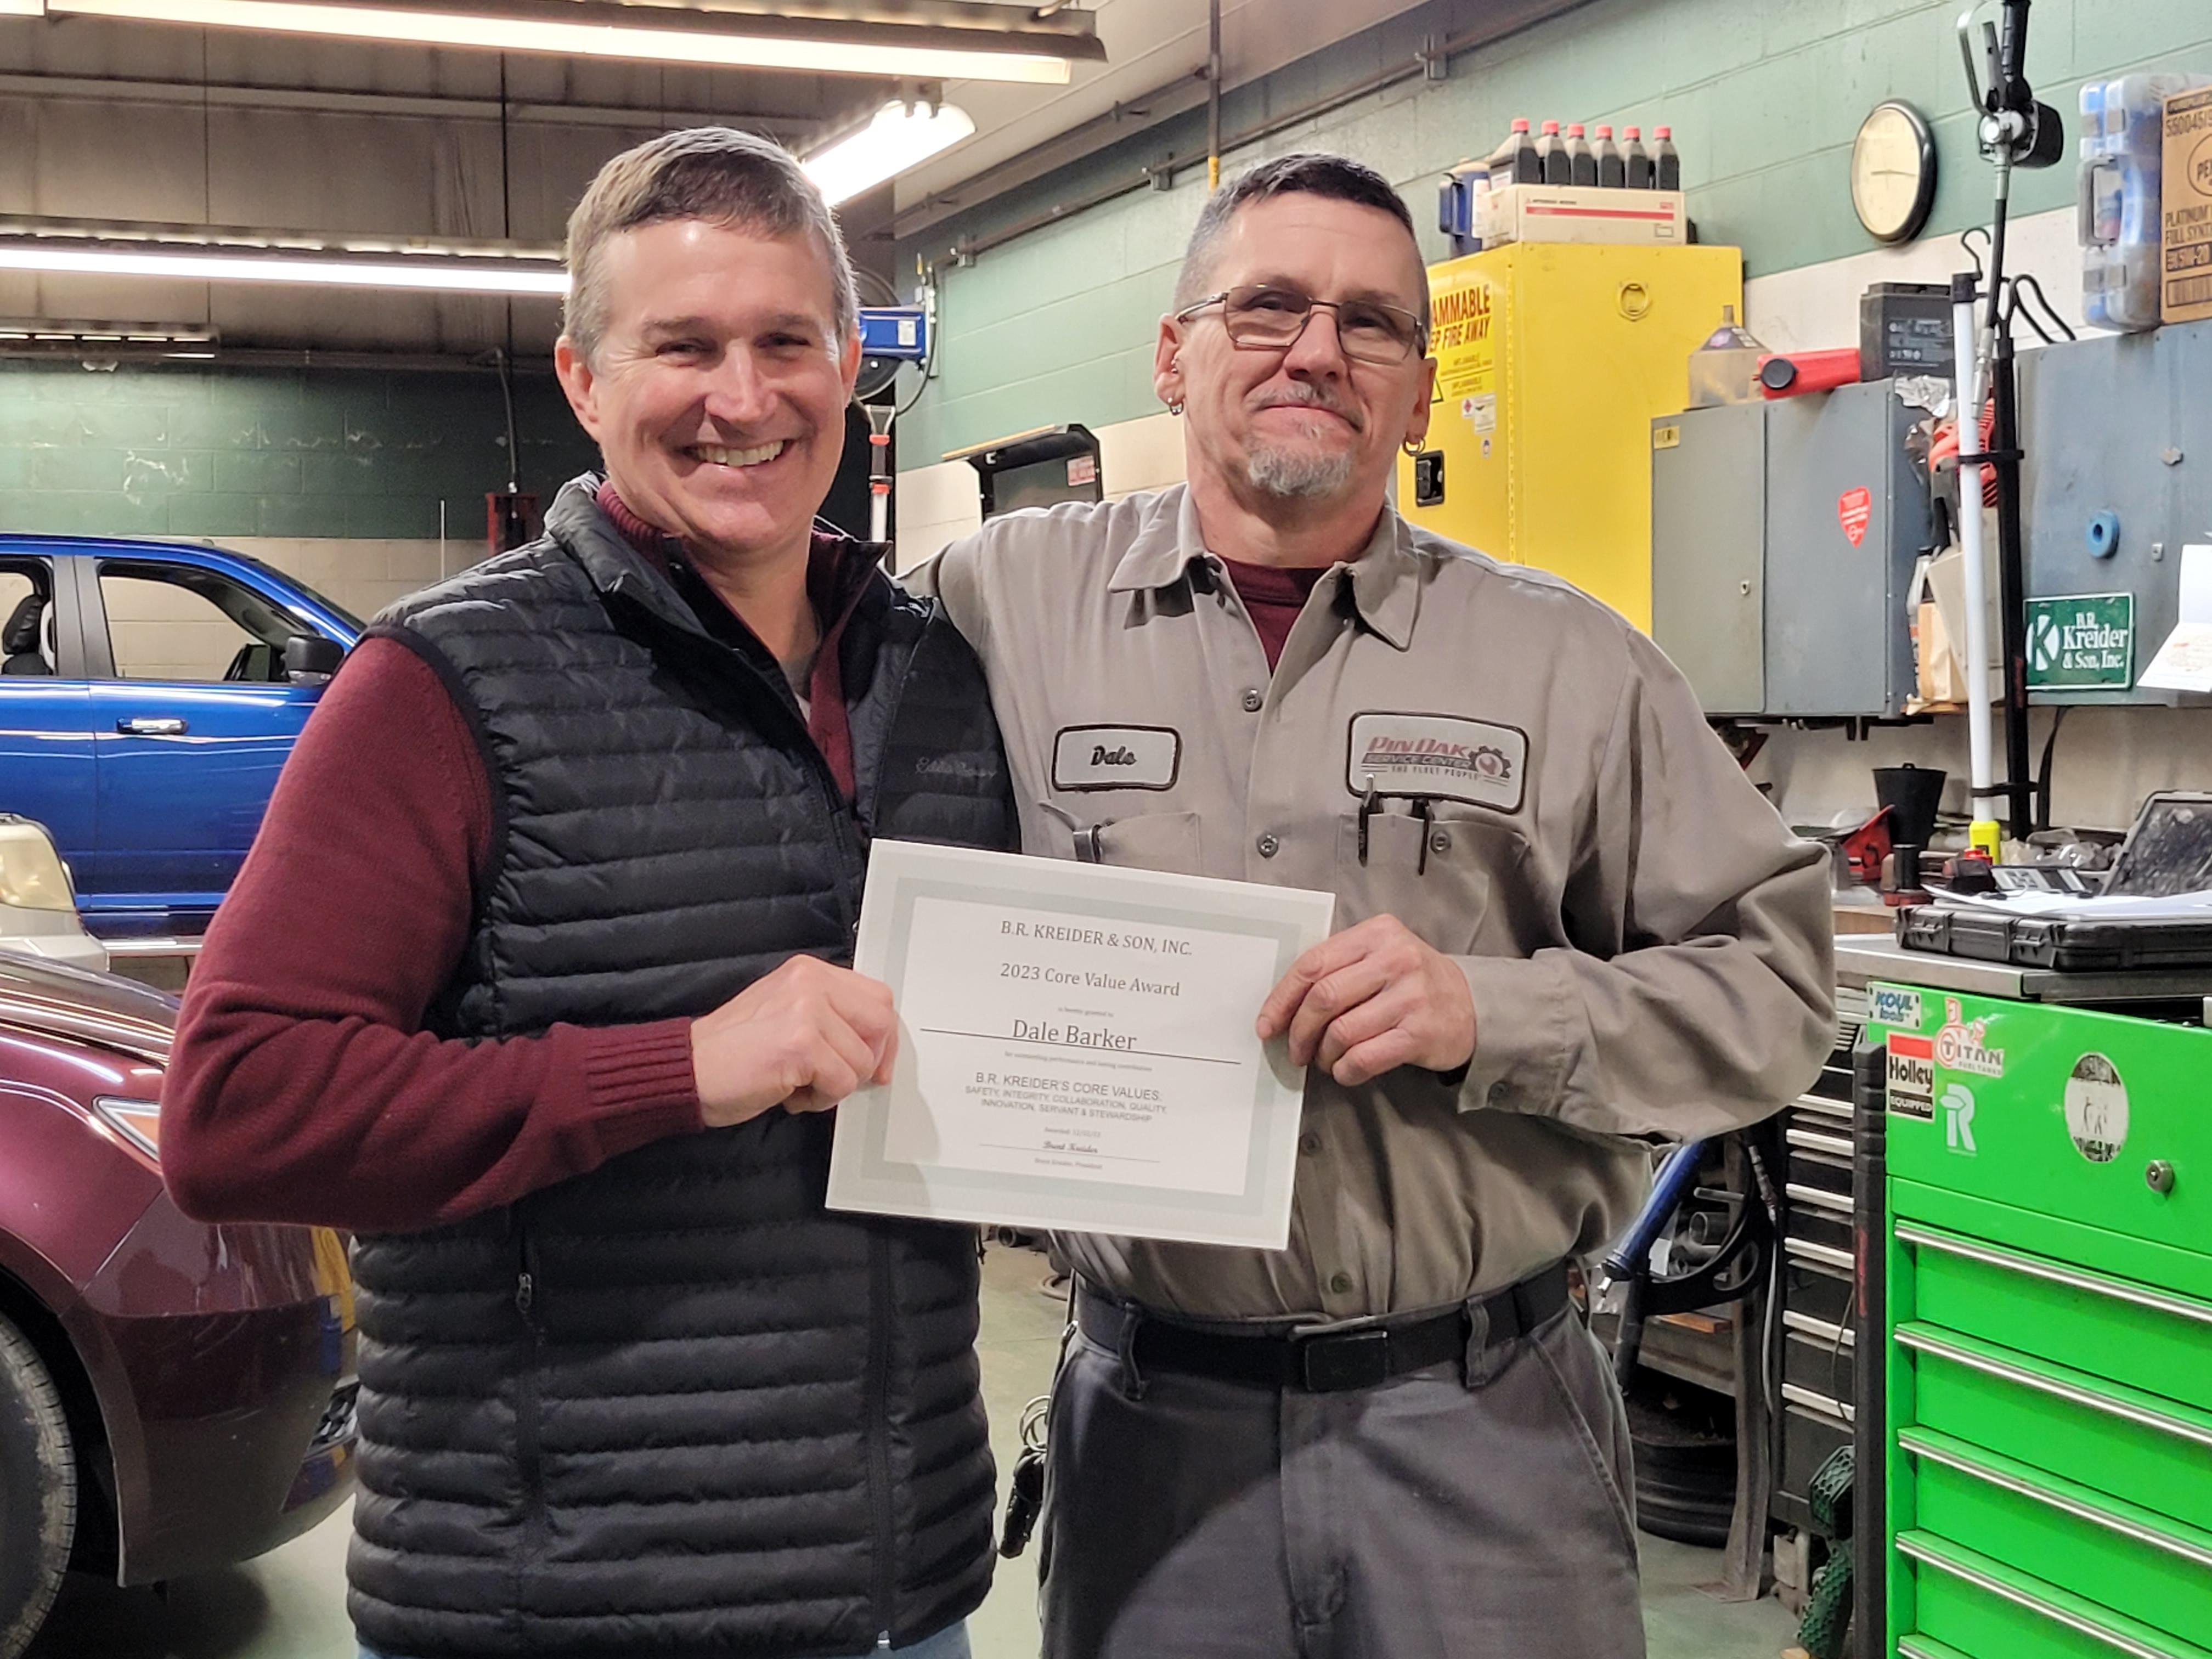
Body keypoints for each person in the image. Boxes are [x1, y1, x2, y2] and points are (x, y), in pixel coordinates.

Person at [914, 152, 1836, 1659]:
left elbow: (1781, 986)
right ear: (1173, 352)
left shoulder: (1566, 664)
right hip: (1151, 1439)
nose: (1317, 350)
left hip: (1483, 1437)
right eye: (1266, 306)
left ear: (1418, 392)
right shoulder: (1001, 603)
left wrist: (1494, 1011)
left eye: (1372, 323)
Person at [161, 127, 1012, 1659]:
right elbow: (238, 1107)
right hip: (563, 1601)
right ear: (583, 380)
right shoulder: (442, 684)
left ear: (850, 365)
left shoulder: (936, 674)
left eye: (786, 343)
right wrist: (679, 1068)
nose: (742, 397)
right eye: (683, 347)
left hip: (903, 1589)